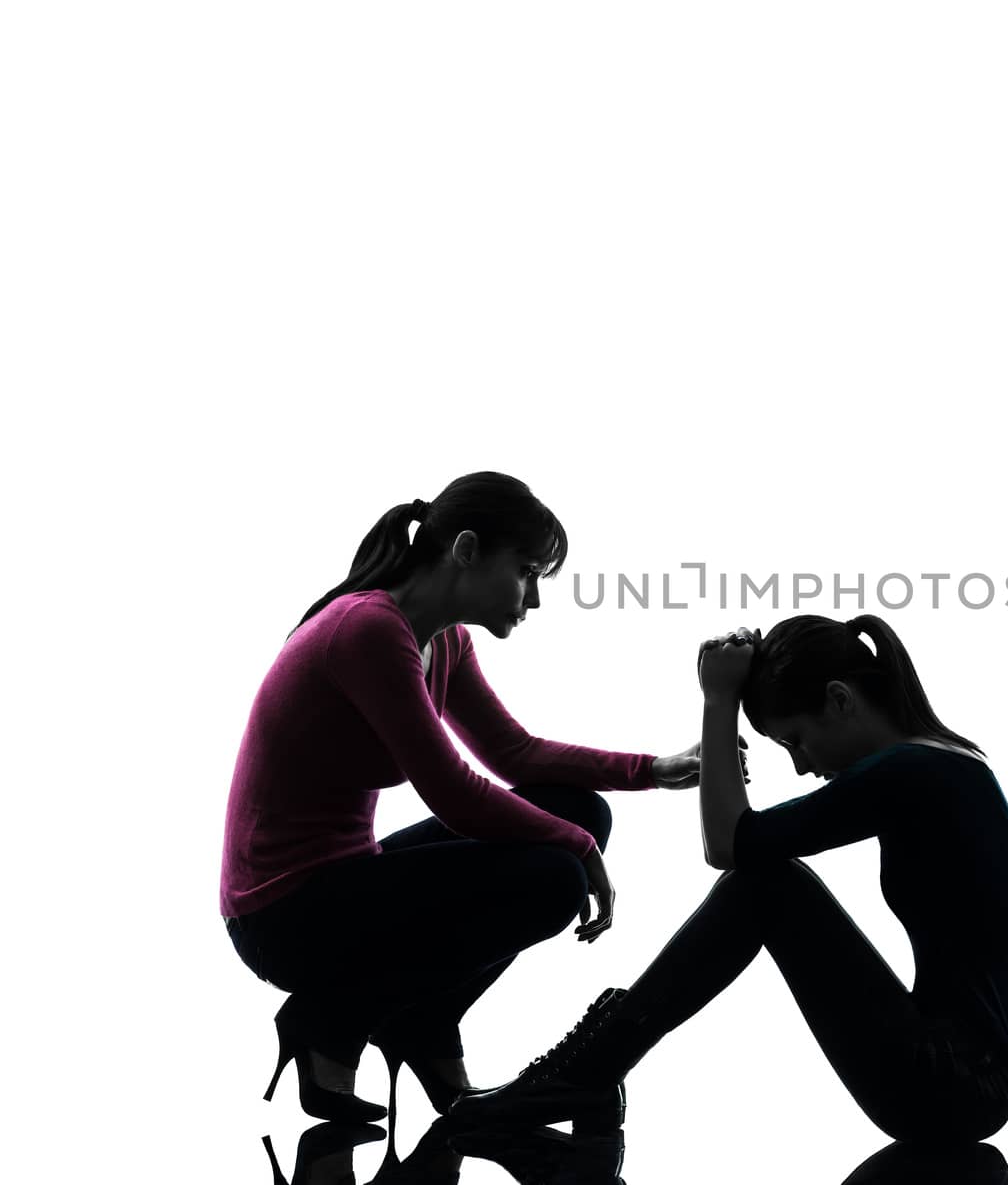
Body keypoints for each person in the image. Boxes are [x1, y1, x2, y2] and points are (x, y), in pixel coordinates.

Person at [220, 470, 715, 1122]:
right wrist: (581, 850)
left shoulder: (444, 639)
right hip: (282, 916)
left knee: (579, 808)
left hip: (345, 886)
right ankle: (330, 1019)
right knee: (553, 879)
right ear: (466, 550)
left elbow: (515, 754)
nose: (533, 598)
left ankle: (423, 1024)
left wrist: (654, 768)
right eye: (527, 571)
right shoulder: (368, 628)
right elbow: (453, 791)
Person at [449, 615, 1008, 1145]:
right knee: (769, 881)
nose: (803, 766)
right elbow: (739, 842)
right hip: (956, 1079)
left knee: (767, 885)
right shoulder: (945, 765)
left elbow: (729, 844)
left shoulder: (918, 772)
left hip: (954, 1088)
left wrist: (719, 699)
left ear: (839, 700)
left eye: (796, 741)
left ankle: (584, 1074)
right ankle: (589, 1072)